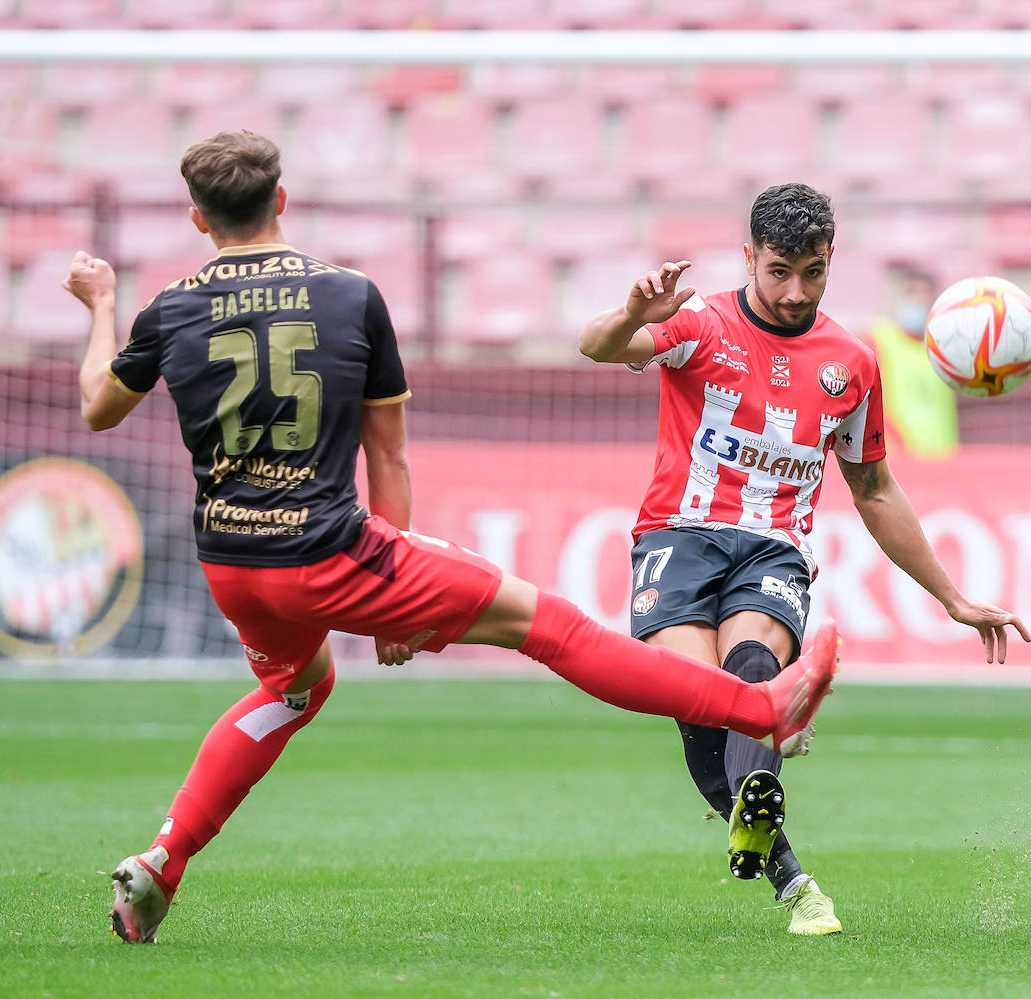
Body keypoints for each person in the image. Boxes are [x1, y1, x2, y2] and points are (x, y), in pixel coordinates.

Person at [64, 131, 840, 945]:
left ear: (197, 218)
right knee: (553, 626)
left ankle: (162, 862)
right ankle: (762, 702)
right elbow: (387, 452)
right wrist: (391, 601)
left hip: (230, 564)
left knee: (293, 691)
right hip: (330, 551)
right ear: (281, 201)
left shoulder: (172, 308)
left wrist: (102, 304)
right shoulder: (349, 296)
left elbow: (97, 406)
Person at [579, 183, 1030, 936]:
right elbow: (595, 345)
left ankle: (772, 756)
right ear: (749, 256)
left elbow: (875, 488)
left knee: (750, 666)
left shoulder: (851, 362)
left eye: (813, 273)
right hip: (677, 537)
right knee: (698, 706)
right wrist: (635, 313)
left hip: (773, 548)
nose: (795, 292)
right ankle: (795, 878)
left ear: (831, 261)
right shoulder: (699, 324)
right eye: (779, 270)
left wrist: (951, 595)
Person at [864, 268, 959, 460]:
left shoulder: (941, 346)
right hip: (896, 456)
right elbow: (866, 399)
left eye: (926, 295)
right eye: (914, 293)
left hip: (940, 456)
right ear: (901, 297)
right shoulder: (879, 338)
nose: (920, 301)